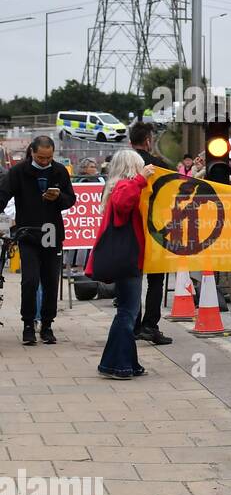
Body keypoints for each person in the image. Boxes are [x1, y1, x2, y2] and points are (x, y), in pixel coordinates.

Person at [0, 136, 74, 345]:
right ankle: (28, 324)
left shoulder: (59, 170)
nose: (44, 161)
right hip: (27, 233)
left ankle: (47, 324)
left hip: (52, 232)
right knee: (30, 280)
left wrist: (58, 198)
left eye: (49, 157)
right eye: (41, 157)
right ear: (32, 152)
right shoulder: (18, 172)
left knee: (51, 281)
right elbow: (3, 196)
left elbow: (71, 199)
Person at [88, 150, 154, 378]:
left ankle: (124, 363)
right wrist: (141, 179)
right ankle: (119, 365)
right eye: (140, 166)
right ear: (132, 167)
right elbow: (124, 204)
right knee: (127, 312)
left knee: (128, 312)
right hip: (128, 259)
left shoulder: (119, 185)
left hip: (126, 257)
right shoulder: (126, 186)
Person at [128, 123, 173, 346]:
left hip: (130, 228)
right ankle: (150, 325)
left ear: (130, 141)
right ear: (148, 140)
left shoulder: (124, 163)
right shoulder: (157, 165)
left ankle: (133, 324)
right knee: (156, 279)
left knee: (133, 278)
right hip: (155, 229)